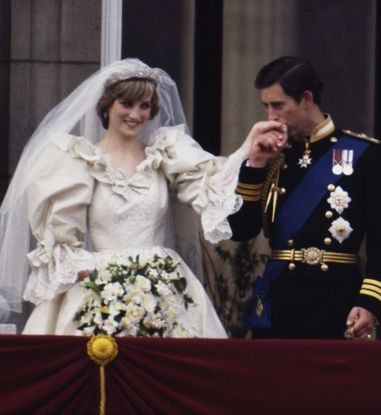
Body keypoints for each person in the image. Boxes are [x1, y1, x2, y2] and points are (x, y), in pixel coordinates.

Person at [0, 58, 285, 337]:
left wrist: (249, 148)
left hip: (165, 288)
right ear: (106, 107)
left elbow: (213, 188)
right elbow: (63, 245)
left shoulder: (164, 153)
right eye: (126, 104)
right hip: (99, 289)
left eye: (144, 106)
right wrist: (110, 285)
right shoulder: (79, 161)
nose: (135, 114)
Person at [228, 56, 381, 340]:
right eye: (266, 106)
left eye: (278, 105)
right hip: (280, 301)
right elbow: (240, 230)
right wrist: (254, 165)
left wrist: (370, 303)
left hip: (338, 302)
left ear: (306, 98)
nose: (270, 116)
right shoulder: (271, 156)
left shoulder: (365, 155)